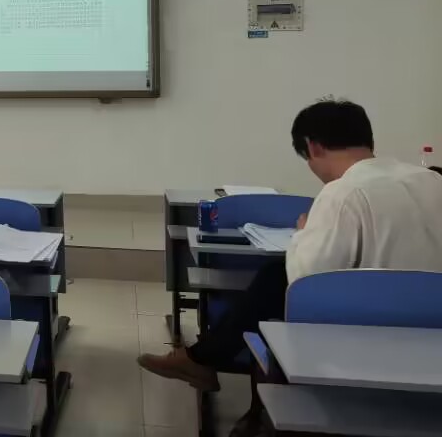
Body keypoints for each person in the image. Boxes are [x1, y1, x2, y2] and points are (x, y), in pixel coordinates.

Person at [138, 99, 442, 400]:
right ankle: (201, 359)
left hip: (364, 330)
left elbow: (305, 282)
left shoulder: (342, 193)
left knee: (276, 278)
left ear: (313, 147)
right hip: (432, 326)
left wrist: (304, 233)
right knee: (273, 277)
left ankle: (205, 361)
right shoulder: (432, 180)